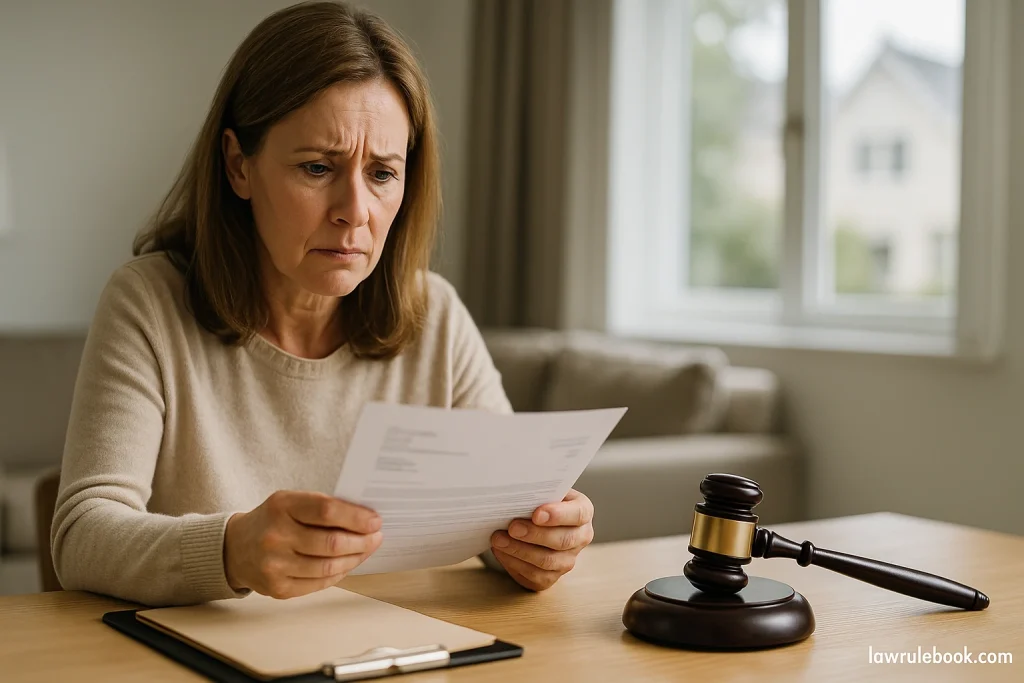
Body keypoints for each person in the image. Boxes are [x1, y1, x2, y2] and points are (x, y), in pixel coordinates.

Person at [50, 0, 594, 607]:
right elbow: (82, 536)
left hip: (398, 644)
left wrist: (535, 541)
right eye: (316, 167)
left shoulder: (434, 314)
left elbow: (501, 517)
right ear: (238, 166)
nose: (354, 212)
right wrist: (232, 549)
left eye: (382, 174)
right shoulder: (148, 303)